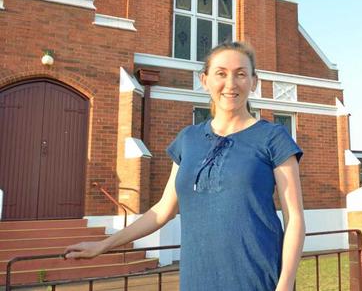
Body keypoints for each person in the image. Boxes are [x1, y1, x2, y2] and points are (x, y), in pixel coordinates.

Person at [65, 42, 306, 290]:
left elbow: (295, 218)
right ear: (205, 80)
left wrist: (285, 285)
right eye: (221, 73)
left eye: (241, 74)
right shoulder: (187, 139)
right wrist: (103, 245)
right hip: (197, 279)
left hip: (257, 278)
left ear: (254, 82)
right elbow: (162, 211)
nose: (231, 83)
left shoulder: (273, 137)